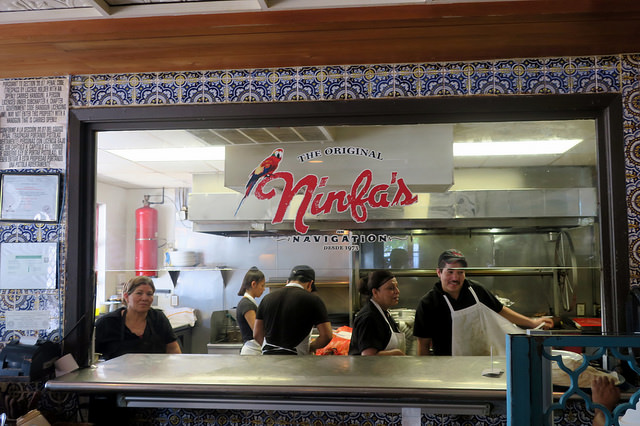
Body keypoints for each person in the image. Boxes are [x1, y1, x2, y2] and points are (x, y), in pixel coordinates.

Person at [413, 249, 553, 356]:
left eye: (460, 272)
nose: (455, 278)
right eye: (450, 272)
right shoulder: (428, 304)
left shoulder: (476, 291)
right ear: (439, 272)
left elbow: (501, 311)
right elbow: (423, 345)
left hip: (480, 360)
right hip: (446, 367)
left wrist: (532, 323)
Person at [95, 276, 182, 360]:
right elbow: (92, 356)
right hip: (118, 370)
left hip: (154, 369)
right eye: (139, 293)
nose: (145, 298)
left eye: (149, 294)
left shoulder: (158, 318)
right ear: (126, 297)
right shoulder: (107, 323)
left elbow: (173, 349)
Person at [254, 265, 332, 355]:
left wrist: (269, 349)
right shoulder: (314, 300)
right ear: (310, 284)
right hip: (296, 359)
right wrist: (311, 347)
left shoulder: (267, 298)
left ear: (287, 281)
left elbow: (257, 333)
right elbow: (326, 335)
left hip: (268, 358)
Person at [349, 270, 406, 356]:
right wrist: (397, 354)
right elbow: (368, 356)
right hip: (368, 366)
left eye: (396, 287)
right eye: (391, 288)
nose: (397, 291)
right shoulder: (369, 318)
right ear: (375, 292)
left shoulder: (383, 313)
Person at [236, 267, 266, 355]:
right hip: (252, 352)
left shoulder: (250, 303)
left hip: (255, 350)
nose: (264, 289)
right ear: (254, 284)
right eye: (262, 285)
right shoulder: (246, 304)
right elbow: (257, 331)